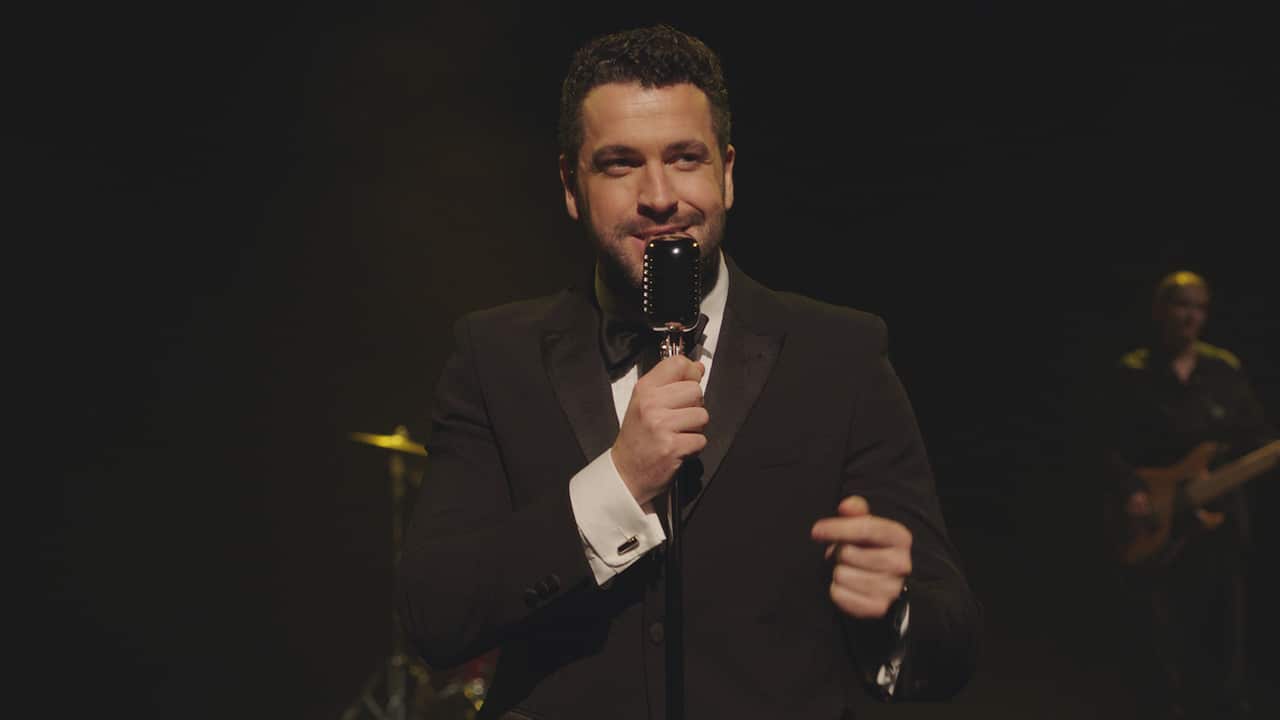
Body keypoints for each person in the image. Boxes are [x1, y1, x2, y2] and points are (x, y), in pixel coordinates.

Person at [397, 25, 979, 719]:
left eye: (685, 158)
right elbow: (435, 616)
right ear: (570, 185)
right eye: (619, 164)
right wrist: (617, 483)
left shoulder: (842, 353)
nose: (659, 195)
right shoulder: (495, 356)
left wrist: (897, 607)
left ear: (727, 173)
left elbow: (949, 648)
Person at [1102, 270, 1276, 720]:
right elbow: (1108, 445)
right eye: (1182, 305)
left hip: (1221, 522)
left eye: (1199, 307)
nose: (1190, 316)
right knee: (1163, 630)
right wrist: (1132, 491)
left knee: (1227, 626)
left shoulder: (1224, 370)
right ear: (1161, 310)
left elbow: (1256, 438)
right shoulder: (1133, 372)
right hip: (1157, 520)